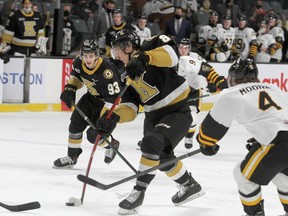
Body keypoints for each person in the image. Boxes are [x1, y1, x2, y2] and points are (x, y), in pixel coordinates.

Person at [96, 29, 205, 215]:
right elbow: (131, 109)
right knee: (161, 156)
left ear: (128, 46)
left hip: (177, 111)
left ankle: (138, 192)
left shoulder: (152, 44)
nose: (116, 56)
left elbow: (172, 56)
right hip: (153, 118)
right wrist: (113, 118)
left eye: (117, 50)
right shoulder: (126, 75)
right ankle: (189, 185)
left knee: (151, 143)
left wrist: (144, 58)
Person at [196, 58, 288, 216]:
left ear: (233, 77)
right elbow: (278, 116)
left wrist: (206, 145)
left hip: (276, 142)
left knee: (243, 175)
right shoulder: (273, 87)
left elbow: (209, 133)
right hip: (280, 137)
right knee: (282, 176)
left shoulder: (231, 93)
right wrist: (261, 137)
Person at [53, 39, 122, 168]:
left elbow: (113, 98)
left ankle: (111, 144)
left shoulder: (107, 70)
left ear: (96, 55)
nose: (88, 59)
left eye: (91, 56)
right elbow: (78, 78)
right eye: (85, 56)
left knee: (94, 135)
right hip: (90, 98)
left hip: (108, 104)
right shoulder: (78, 63)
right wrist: (70, 88)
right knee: (75, 124)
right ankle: (72, 156)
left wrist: (104, 118)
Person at [177, 38, 228, 149]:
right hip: (176, 92)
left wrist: (213, 82)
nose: (183, 50)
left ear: (189, 48)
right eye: (181, 47)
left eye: (185, 48)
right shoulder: (173, 58)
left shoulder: (195, 57)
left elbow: (206, 68)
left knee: (192, 117)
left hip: (192, 91)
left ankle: (189, 136)